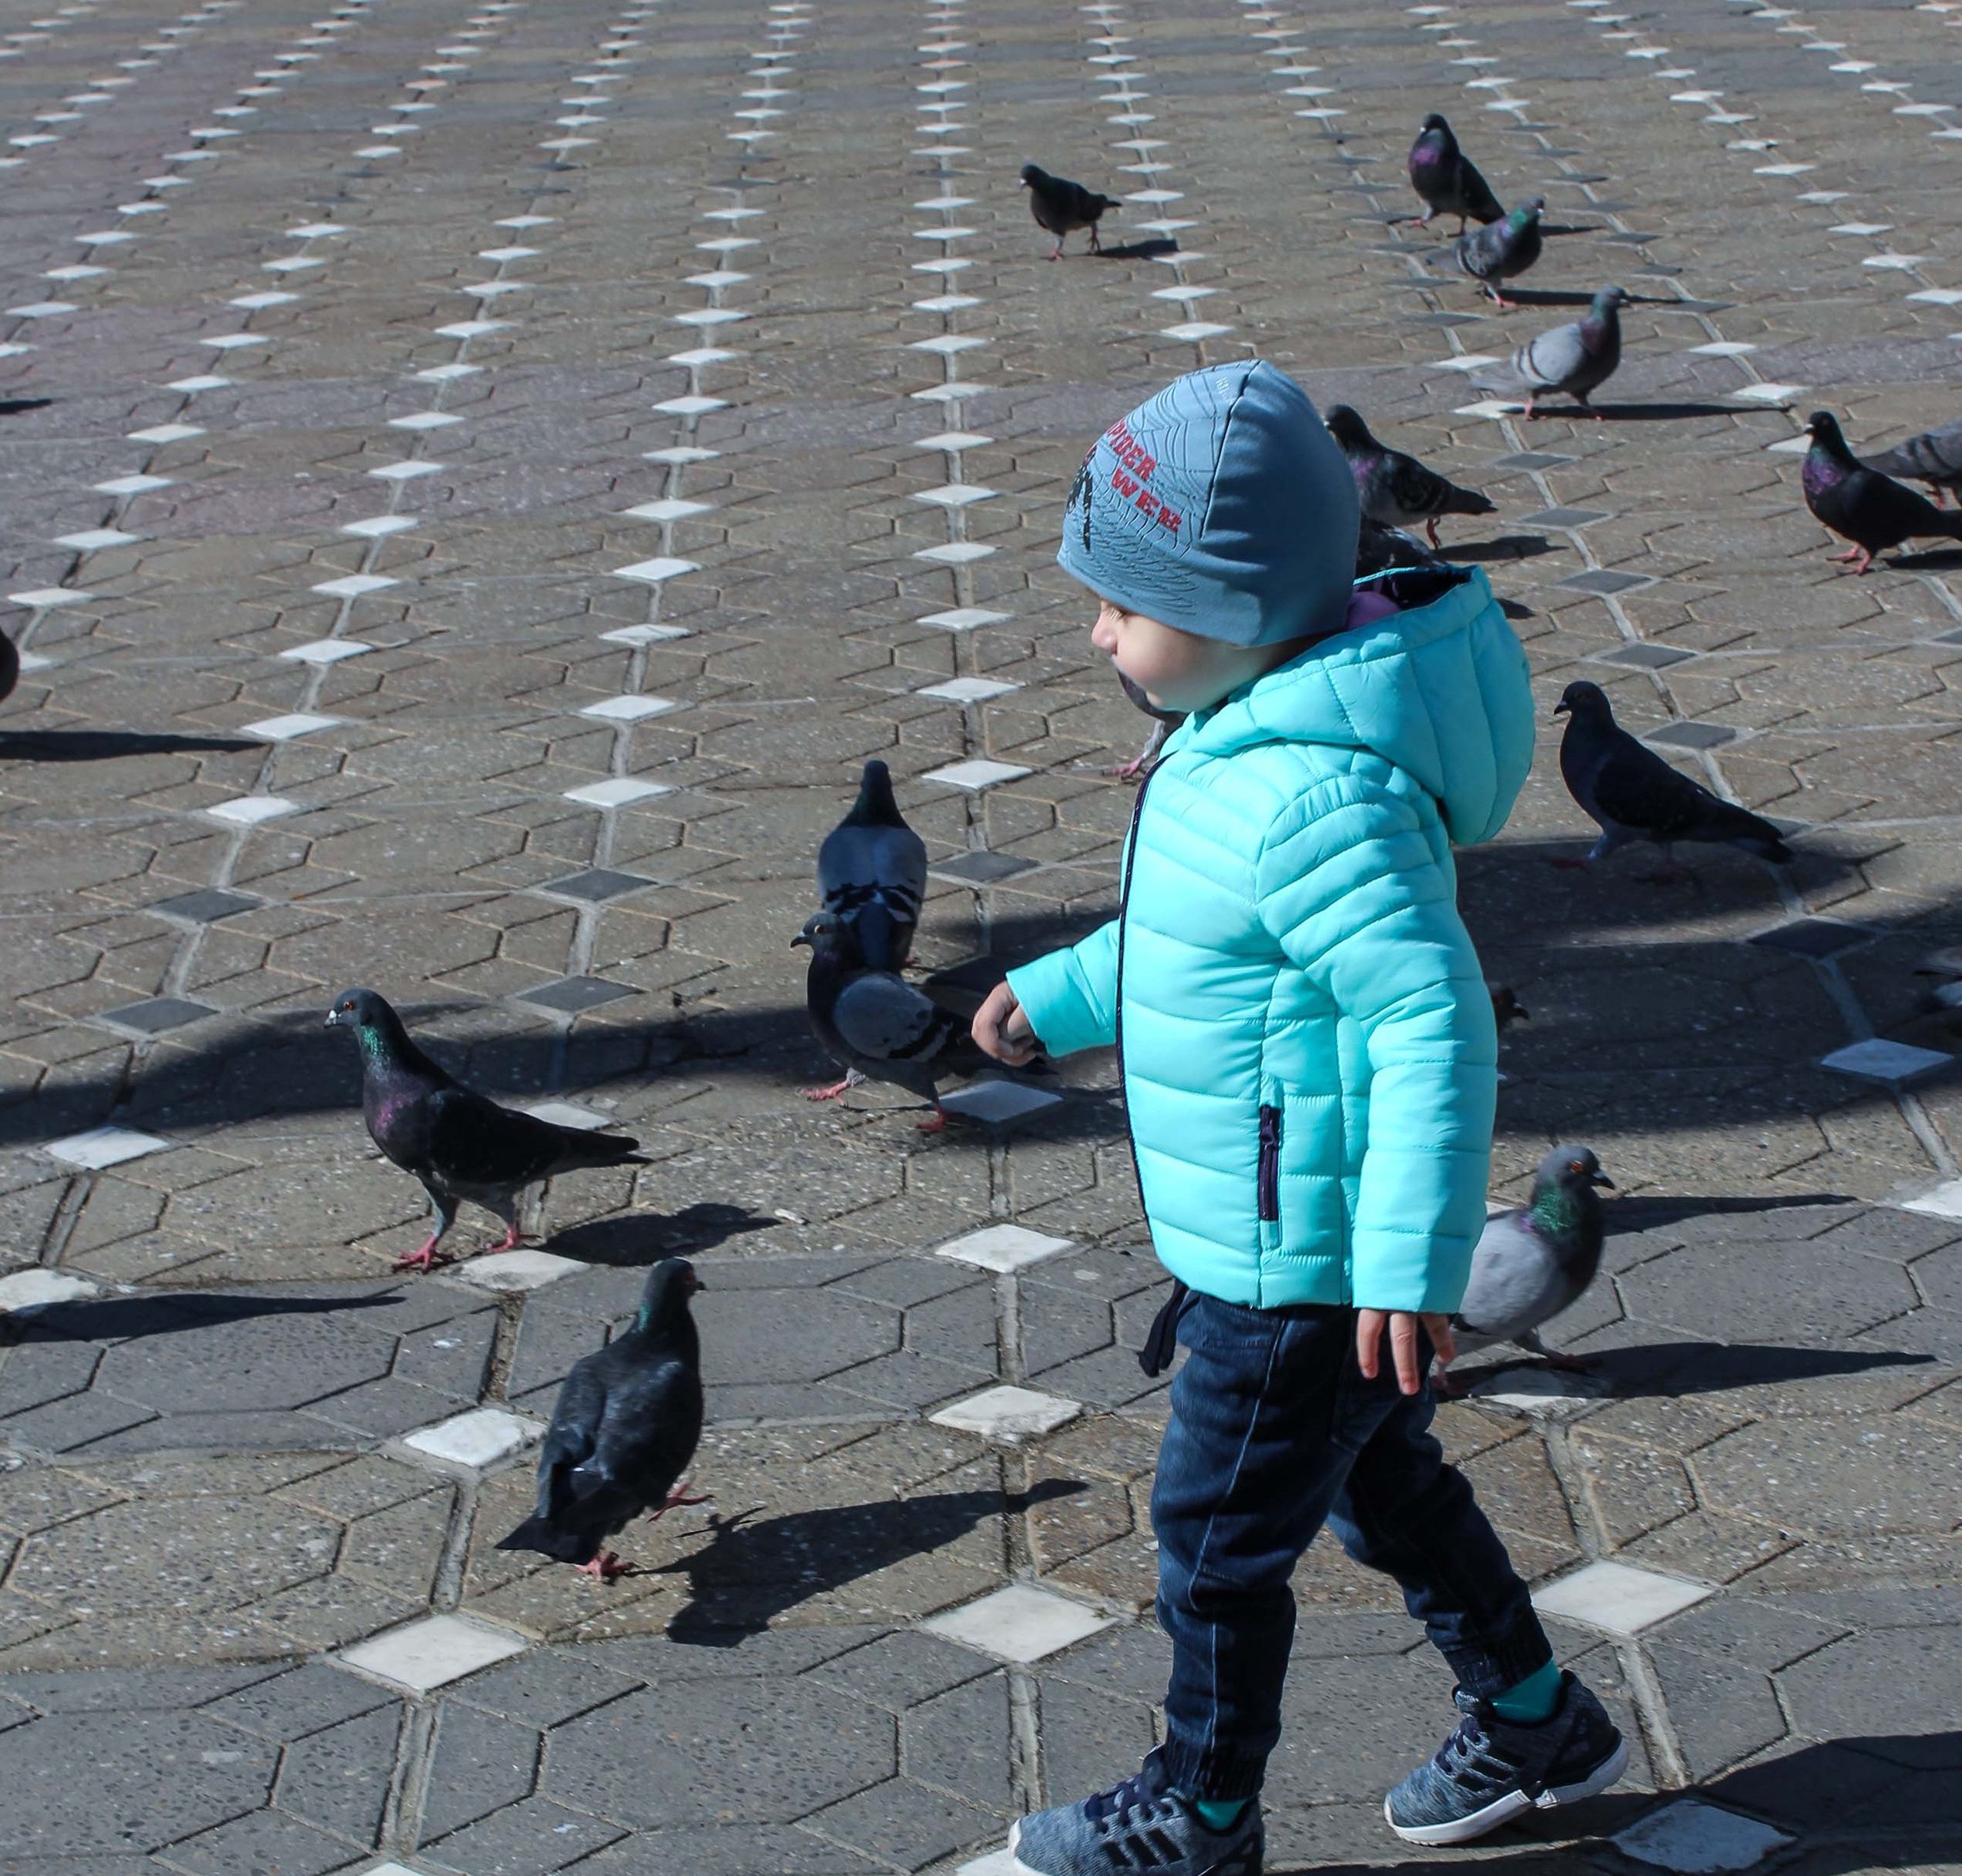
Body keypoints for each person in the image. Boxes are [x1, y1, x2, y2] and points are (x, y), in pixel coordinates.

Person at [971, 361, 1625, 1876]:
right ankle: (1535, 1721)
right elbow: (1208, 933)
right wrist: (1065, 994)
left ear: (1235, 607)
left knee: (1211, 1549)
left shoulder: (1309, 793)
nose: (1096, 633)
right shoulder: (1243, 731)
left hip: (1303, 1269)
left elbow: (1426, 1017)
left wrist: (1405, 1259)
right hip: (1288, 1239)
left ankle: (1197, 1812)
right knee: (1385, 1488)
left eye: (1120, 604)